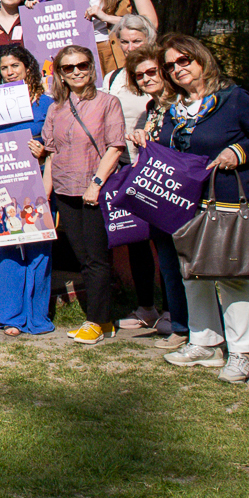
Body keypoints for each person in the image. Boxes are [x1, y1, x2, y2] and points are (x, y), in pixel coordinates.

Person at [151, 34, 249, 383]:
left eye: (184, 61)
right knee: (192, 272)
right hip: (184, 202)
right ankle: (205, 342)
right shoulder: (175, 108)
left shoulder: (233, 99)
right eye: (170, 66)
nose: (178, 69)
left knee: (229, 276)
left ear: (201, 59)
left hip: (224, 200)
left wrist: (235, 152)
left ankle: (241, 352)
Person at [39, 44, 128, 345]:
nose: (76, 72)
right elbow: (51, 155)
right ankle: (103, 322)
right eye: (68, 68)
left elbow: (115, 147)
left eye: (82, 65)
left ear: (92, 68)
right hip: (65, 190)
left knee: (96, 258)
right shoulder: (55, 108)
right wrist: (44, 197)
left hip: (94, 191)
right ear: (60, 75)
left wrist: (97, 183)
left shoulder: (108, 102)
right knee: (82, 257)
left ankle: (95, 319)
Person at [0, 44, 54, 334]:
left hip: (36, 182)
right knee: (4, 246)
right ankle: (11, 317)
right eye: (4, 68)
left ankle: (37, 315)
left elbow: (55, 147)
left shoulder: (47, 104)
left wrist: (42, 151)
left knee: (38, 247)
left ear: (27, 67)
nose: (9, 72)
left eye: (14, 66)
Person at [107, 34, 183, 339]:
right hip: (153, 186)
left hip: (178, 191)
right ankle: (161, 312)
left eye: (152, 72)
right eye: (139, 75)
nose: (146, 78)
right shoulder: (152, 106)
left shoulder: (180, 103)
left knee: (177, 258)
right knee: (157, 251)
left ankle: (178, 315)